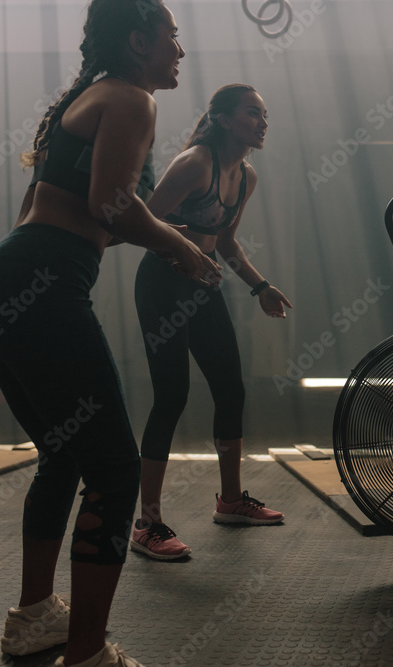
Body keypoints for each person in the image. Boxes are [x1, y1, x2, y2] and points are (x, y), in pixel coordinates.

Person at [0, 1, 220, 665]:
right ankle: (87, 654)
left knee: (65, 453)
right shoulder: (132, 98)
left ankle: (34, 618)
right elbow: (111, 203)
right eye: (172, 37)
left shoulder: (92, 96)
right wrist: (180, 248)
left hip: (2, 281)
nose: (179, 51)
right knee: (111, 464)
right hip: (41, 282)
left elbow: (56, 212)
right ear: (138, 41)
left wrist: (154, 239)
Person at [130, 84, 291, 560]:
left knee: (230, 389)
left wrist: (261, 287)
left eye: (264, 114)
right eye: (251, 113)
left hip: (203, 284)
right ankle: (147, 523)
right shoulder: (195, 164)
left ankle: (231, 501)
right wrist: (179, 250)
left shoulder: (245, 177)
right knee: (172, 395)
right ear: (222, 119)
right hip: (162, 282)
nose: (262, 122)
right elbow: (139, 223)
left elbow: (225, 244)